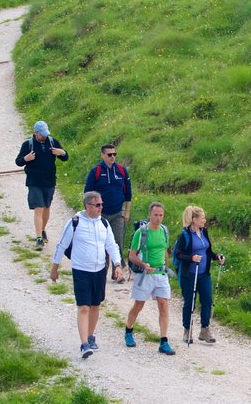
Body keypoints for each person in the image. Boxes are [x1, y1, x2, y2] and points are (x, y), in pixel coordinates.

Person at [50, 191, 123, 359]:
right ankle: (84, 344)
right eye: (97, 205)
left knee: (95, 305)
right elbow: (62, 245)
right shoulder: (75, 223)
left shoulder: (103, 223)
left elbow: (112, 245)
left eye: (101, 205)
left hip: (99, 270)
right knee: (84, 307)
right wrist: (55, 267)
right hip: (81, 270)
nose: (101, 208)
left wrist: (117, 265)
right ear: (87, 206)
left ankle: (90, 336)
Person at [124, 202, 175, 355]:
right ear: (149, 215)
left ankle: (164, 341)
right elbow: (132, 256)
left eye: (161, 215)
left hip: (160, 274)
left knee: (163, 304)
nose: (158, 218)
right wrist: (143, 265)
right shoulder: (141, 232)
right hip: (145, 275)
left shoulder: (164, 231)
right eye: (155, 215)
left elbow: (164, 250)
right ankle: (128, 331)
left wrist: (165, 267)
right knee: (139, 305)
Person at [175, 205, 226, 344]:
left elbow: (208, 251)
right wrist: (191, 258)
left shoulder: (204, 232)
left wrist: (217, 257)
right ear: (194, 220)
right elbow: (178, 254)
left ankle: (205, 330)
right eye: (202, 218)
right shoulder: (185, 235)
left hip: (203, 273)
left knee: (207, 300)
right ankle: (187, 331)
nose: (205, 220)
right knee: (189, 303)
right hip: (189, 274)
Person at [14, 120, 69, 250]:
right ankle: (39, 237)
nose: (44, 136)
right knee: (38, 208)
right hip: (34, 181)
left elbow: (65, 157)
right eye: (42, 134)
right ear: (35, 133)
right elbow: (18, 162)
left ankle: (43, 229)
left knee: (47, 207)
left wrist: (62, 153)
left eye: (45, 134)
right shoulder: (28, 144)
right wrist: (26, 159)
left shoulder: (52, 142)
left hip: (49, 180)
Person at [84, 144, 132, 282]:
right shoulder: (96, 172)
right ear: (103, 155)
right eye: (109, 154)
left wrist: (127, 211)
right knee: (101, 244)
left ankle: (117, 273)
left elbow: (128, 193)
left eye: (114, 154)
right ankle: (101, 273)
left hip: (117, 212)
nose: (112, 157)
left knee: (117, 242)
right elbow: (87, 193)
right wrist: (90, 211)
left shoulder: (121, 171)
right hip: (100, 214)